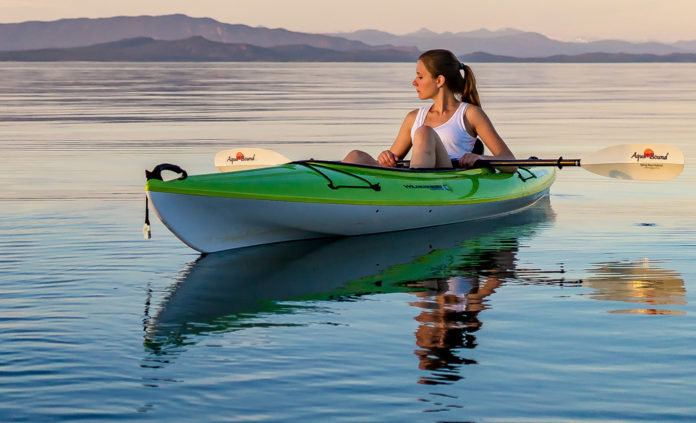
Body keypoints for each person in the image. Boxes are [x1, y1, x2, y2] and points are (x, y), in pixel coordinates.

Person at [343, 49, 516, 171]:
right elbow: (392, 161)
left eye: (420, 77)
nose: (414, 82)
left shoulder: (470, 114)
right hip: (412, 177)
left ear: (439, 80)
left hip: (448, 179)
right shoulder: (413, 118)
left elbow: (510, 162)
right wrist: (386, 157)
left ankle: (418, 190)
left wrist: (481, 158)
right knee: (355, 156)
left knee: (424, 132)